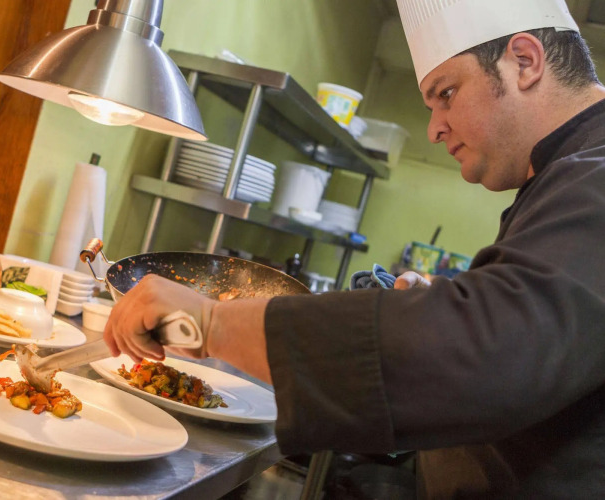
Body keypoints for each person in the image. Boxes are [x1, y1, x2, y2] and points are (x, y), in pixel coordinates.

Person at [103, 0, 605, 496]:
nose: (434, 129)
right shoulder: (563, 175)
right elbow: (540, 331)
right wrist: (434, 302)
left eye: (447, 94)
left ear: (525, 61)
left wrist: (209, 322)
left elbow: (486, 354)